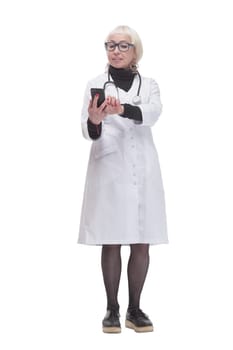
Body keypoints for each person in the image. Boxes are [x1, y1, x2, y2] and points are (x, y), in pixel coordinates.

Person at [78, 25, 168, 333]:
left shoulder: (150, 85)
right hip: (110, 171)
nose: (115, 50)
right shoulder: (94, 84)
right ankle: (112, 309)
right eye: (110, 45)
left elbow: (153, 113)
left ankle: (135, 309)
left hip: (143, 171)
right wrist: (95, 119)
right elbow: (87, 129)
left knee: (142, 241)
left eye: (122, 45)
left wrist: (123, 109)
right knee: (112, 239)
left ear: (135, 50)